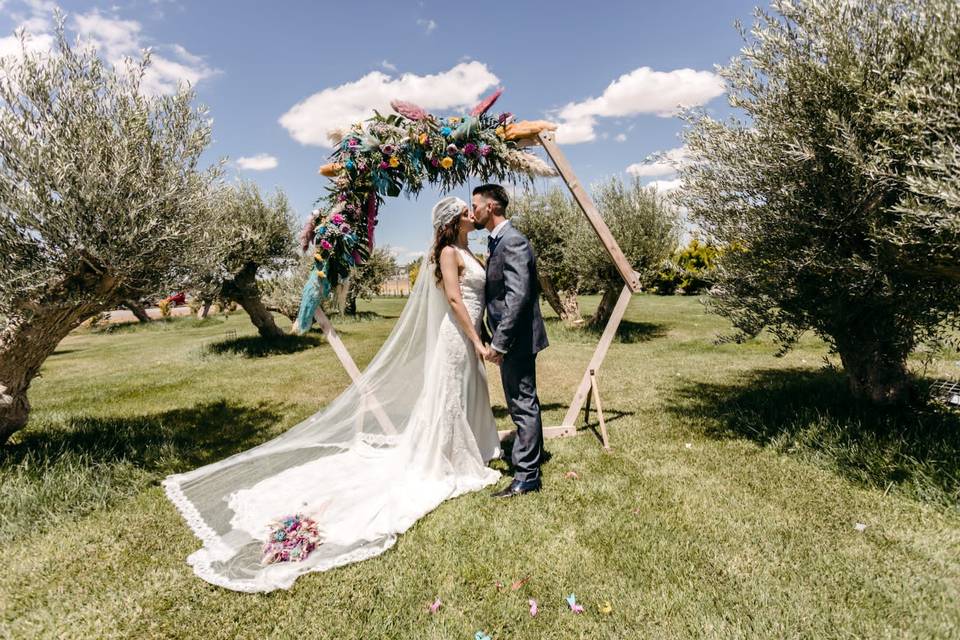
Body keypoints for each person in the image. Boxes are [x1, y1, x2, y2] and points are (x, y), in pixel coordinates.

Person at [163, 196, 503, 592]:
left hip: (468, 333)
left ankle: (465, 448)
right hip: (457, 334)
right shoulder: (448, 252)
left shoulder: (466, 248)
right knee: (450, 395)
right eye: (465, 211)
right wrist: (476, 339)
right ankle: (445, 457)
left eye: (470, 209)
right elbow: (456, 299)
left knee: (464, 393)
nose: (470, 214)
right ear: (453, 220)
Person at [471, 184, 549, 497]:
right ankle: (535, 455)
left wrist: (499, 342)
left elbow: (517, 297)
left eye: (475, 204)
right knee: (525, 399)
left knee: (521, 403)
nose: (472, 210)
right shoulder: (499, 241)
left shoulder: (513, 241)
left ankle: (527, 476)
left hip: (515, 338)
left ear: (490, 207)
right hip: (514, 335)